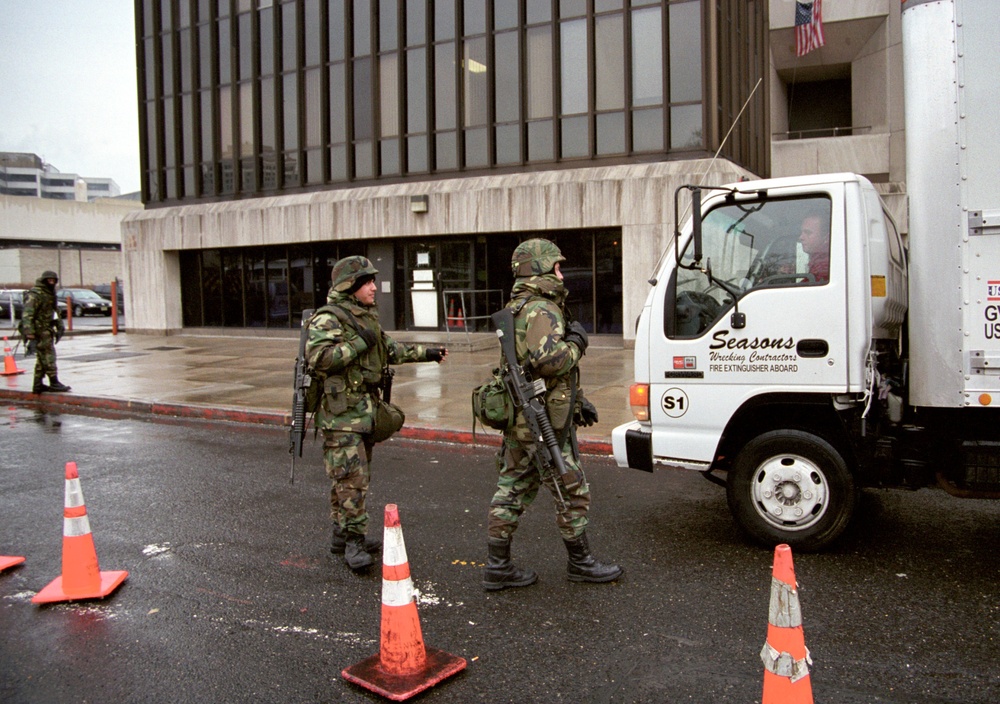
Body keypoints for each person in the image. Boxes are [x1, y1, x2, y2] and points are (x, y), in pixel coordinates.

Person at [483, 238, 622, 591]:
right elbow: (551, 361)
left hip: (523, 417)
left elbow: (535, 369)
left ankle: (497, 566)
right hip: (541, 420)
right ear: (541, 269)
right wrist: (578, 343)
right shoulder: (541, 309)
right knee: (571, 488)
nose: (562, 273)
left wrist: (579, 401)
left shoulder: (518, 306)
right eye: (557, 266)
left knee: (512, 487)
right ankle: (581, 562)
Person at [305, 256, 447, 572]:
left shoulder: (365, 317)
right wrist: (358, 343)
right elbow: (320, 358)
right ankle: (354, 542)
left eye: (372, 281)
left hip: (363, 412)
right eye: (367, 282)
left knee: (353, 477)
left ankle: (342, 535)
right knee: (351, 480)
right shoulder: (328, 319)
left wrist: (428, 353)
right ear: (350, 286)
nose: (373, 287)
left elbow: (390, 349)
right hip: (341, 416)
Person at [20, 271, 70, 394]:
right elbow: (27, 315)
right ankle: (54, 381)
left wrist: (59, 324)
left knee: (42, 357)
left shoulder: (50, 294)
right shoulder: (35, 294)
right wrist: (30, 334)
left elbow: (54, 311)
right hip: (39, 331)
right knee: (49, 356)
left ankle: (38, 384)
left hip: (47, 329)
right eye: (49, 280)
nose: (51, 282)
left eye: (54, 280)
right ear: (44, 280)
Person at [799, 210, 830, 283]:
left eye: (808, 233)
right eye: (801, 232)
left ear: (826, 237)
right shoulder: (817, 261)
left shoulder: (824, 266)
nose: (801, 237)